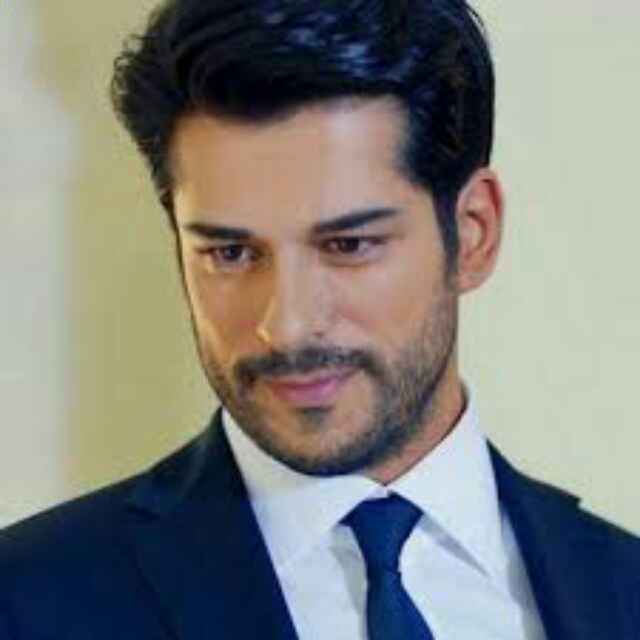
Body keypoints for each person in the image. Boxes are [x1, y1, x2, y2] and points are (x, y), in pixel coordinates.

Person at [1, 0, 639, 638]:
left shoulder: (621, 588)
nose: (287, 326)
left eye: (348, 245)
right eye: (230, 253)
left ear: (474, 233)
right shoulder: (28, 600)